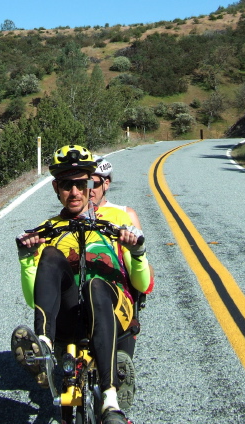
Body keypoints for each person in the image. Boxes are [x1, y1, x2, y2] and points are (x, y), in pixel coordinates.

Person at [12, 144, 151, 424]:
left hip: (112, 310)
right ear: (56, 188)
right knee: (50, 256)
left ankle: (111, 403)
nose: (74, 193)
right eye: (66, 185)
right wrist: (27, 259)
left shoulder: (117, 221)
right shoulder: (47, 230)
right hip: (68, 316)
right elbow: (35, 298)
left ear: (90, 185)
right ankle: (44, 347)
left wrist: (137, 253)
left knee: (95, 285)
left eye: (80, 184)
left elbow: (143, 284)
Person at [89, 156, 153, 372]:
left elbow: (141, 262)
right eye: (82, 183)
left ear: (106, 184)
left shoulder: (124, 215)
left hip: (114, 294)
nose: (88, 190)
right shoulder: (70, 217)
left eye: (93, 183)